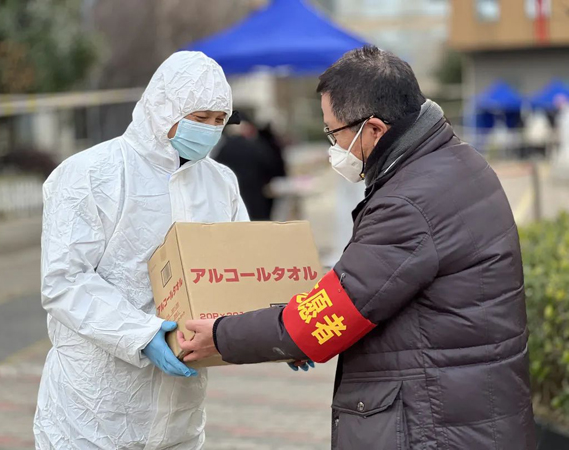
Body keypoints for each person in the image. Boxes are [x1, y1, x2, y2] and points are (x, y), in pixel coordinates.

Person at [179, 46, 536, 449]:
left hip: (436, 426)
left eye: (334, 133)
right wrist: (299, 332)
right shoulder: (457, 162)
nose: (333, 146)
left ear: (375, 130)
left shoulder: (409, 203)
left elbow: (333, 311)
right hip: (470, 410)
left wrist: (222, 336)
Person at [34, 51, 248, 449]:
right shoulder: (90, 174)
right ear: (162, 108)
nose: (210, 130)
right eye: (200, 118)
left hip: (180, 411)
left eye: (220, 121)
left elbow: (243, 272)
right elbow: (65, 281)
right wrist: (142, 334)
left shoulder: (220, 182)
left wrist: (275, 332)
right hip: (93, 409)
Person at [214, 113, 285, 220]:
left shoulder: (223, 148)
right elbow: (271, 166)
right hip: (257, 197)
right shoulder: (257, 146)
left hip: (230, 198)